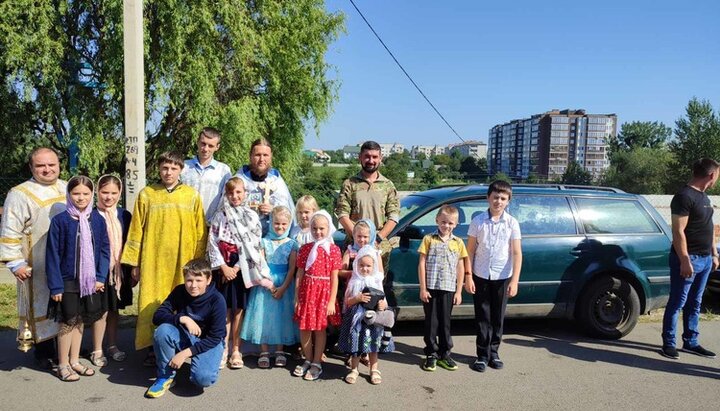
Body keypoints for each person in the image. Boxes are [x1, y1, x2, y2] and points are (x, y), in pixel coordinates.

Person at [121, 151, 207, 359]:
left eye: (173, 168)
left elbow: (200, 232)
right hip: (153, 261)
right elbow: (136, 230)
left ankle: (182, 345)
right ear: (159, 169)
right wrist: (135, 262)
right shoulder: (147, 194)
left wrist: (197, 263)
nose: (169, 172)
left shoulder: (192, 195)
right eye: (165, 168)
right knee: (153, 303)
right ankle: (153, 347)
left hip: (183, 262)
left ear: (181, 170)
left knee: (183, 303)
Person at [0, 147, 66, 368]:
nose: (47, 169)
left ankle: (66, 347)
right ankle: (45, 351)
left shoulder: (68, 187)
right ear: (31, 167)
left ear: (59, 165)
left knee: (66, 304)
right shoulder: (19, 193)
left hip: (65, 261)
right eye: (41, 166)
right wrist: (15, 263)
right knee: (41, 306)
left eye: (51, 164)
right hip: (36, 263)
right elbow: (10, 230)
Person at [45, 176, 110, 381]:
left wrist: (100, 276)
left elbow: (104, 249)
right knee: (67, 321)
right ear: (69, 195)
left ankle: (75, 361)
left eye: (85, 193)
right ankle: (62, 364)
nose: (81, 198)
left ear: (92, 195)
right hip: (67, 281)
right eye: (76, 193)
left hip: (90, 281)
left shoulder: (97, 219)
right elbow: (52, 254)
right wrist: (56, 287)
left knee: (80, 320)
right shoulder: (60, 221)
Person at [206, 177, 271, 370]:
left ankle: (236, 349)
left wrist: (237, 268)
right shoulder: (220, 216)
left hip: (243, 267)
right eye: (231, 193)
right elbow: (212, 242)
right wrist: (223, 267)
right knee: (224, 308)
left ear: (245, 193)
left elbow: (254, 245)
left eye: (239, 192)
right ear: (226, 194)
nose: (235, 196)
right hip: (223, 267)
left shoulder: (251, 216)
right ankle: (222, 347)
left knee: (239, 309)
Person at [661, 158, 719, 359]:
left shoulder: (704, 197)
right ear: (712, 175)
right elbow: (678, 231)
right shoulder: (683, 197)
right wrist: (684, 259)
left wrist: (714, 253)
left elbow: (708, 227)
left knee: (696, 302)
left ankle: (691, 341)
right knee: (678, 302)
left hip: (704, 259)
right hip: (688, 259)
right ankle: (669, 343)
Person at [145, 259, 226, 398]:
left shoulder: (217, 300)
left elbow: (215, 337)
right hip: (186, 336)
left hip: (209, 342)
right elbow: (158, 316)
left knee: (202, 379)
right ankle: (165, 376)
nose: (193, 285)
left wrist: (184, 354)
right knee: (163, 331)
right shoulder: (179, 291)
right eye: (189, 280)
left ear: (208, 279)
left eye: (199, 280)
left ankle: (203, 364)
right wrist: (183, 318)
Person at [465, 180, 522, 372]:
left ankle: (494, 352)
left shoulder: (512, 223)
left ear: (508, 201)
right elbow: (470, 251)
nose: (498, 201)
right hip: (480, 274)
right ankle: (481, 354)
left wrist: (514, 280)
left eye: (503, 198)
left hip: (502, 276)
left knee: (497, 317)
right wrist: (468, 276)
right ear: (488, 198)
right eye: (495, 197)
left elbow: (516, 253)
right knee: (483, 316)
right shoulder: (478, 221)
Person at [241, 206, 300, 368]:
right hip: (266, 283)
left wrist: (282, 288)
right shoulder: (264, 241)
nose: (280, 227)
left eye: (283, 224)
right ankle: (264, 350)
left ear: (288, 224)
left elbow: (292, 269)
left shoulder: (292, 244)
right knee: (263, 315)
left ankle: (280, 350)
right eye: (276, 224)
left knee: (283, 318)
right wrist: (271, 286)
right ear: (271, 223)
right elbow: (260, 265)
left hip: (285, 284)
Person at [418, 205, 468, 372]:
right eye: (444, 222)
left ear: (456, 224)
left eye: (451, 223)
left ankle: (444, 354)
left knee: (445, 323)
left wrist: (459, 290)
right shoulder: (428, 239)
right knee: (431, 322)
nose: (446, 226)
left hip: (448, 288)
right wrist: (423, 288)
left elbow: (460, 266)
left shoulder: (458, 242)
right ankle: (431, 353)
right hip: (431, 287)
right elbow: (422, 263)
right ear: (437, 221)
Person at [293, 210, 341, 381]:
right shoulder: (305, 249)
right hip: (307, 291)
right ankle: (307, 358)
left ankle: (316, 362)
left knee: (320, 328)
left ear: (329, 228)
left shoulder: (334, 250)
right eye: (314, 228)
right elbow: (299, 274)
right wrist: (296, 297)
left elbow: (334, 278)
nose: (318, 232)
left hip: (323, 293)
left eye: (322, 228)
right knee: (305, 327)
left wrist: (331, 301)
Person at [91, 175, 133, 365]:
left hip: (119, 270)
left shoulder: (124, 215)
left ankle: (112, 345)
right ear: (97, 192)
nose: (109, 197)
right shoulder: (91, 215)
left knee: (114, 309)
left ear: (120, 193)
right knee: (100, 311)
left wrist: (132, 270)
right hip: (98, 271)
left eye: (113, 193)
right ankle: (97, 349)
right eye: (104, 192)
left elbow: (130, 243)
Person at [338, 246, 394, 385]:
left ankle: (374, 369)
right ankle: (354, 369)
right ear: (356, 265)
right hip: (357, 320)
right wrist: (357, 299)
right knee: (356, 346)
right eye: (361, 265)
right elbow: (347, 301)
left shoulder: (376, 281)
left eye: (368, 266)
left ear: (374, 266)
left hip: (373, 320)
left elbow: (383, 301)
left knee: (373, 344)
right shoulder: (354, 281)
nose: (364, 269)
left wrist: (382, 305)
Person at [335, 141, 400, 248]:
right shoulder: (350, 184)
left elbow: (394, 217)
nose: (371, 160)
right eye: (367, 156)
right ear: (360, 157)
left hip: (379, 246)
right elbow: (342, 214)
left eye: (374, 157)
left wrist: (378, 239)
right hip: (354, 245)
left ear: (380, 158)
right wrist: (358, 238)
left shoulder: (388, 186)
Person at [235, 138, 295, 236]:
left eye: (265, 155)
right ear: (250, 156)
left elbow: (288, 211)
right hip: (244, 236)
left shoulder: (276, 181)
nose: (262, 159)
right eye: (257, 155)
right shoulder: (239, 180)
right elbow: (228, 210)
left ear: (271, 157)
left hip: (272, 239)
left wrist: (274, 210)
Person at [180, 127, 232, 224]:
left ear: (217, 147)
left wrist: (215, 221)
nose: (205, 149)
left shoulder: (224, 170)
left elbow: (225, 200)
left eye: (210, 146)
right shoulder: (183, 167)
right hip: (185, 224)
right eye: (203, 144)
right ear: (197, 142)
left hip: (211, 226)